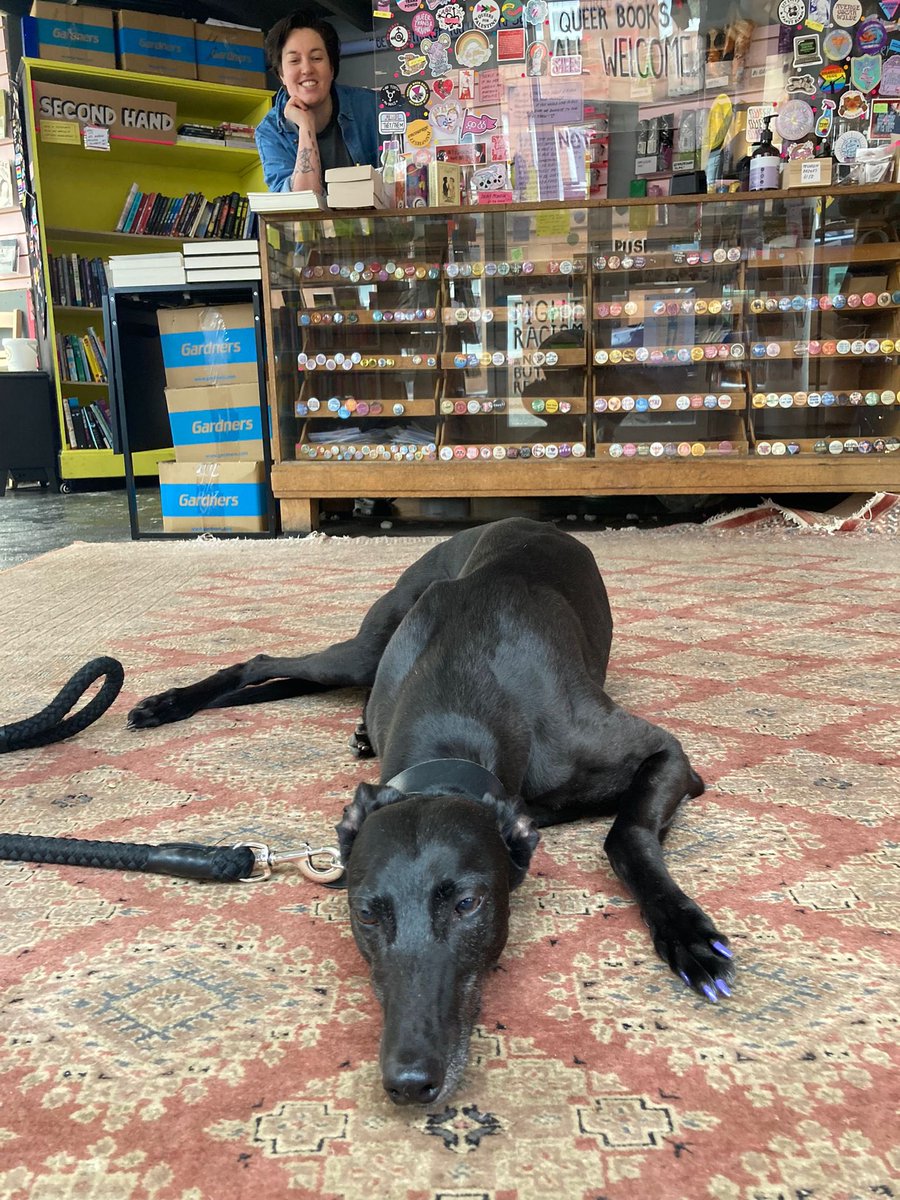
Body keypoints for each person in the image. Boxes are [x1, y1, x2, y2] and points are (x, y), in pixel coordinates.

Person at [255, 9, 379, 195]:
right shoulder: (271, 132)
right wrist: (306, 127)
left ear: (331, 67)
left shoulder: (372, 107)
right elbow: (300, 207)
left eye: (316, 58)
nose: (306, 69)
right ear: (281, 75)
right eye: (294, 60)